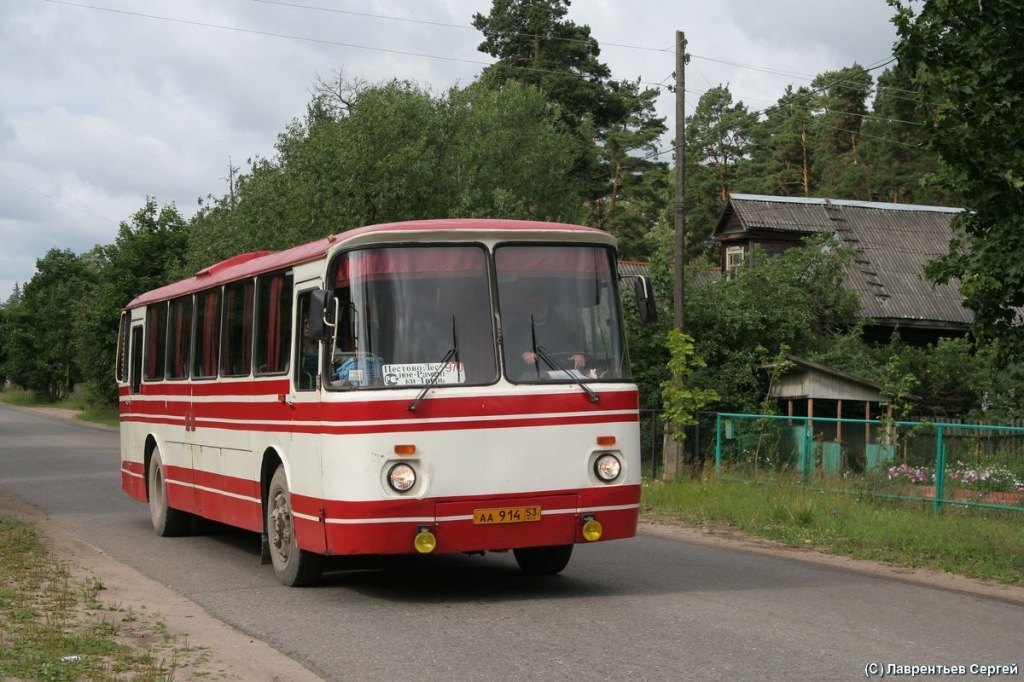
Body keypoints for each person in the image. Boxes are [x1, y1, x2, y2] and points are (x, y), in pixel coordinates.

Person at [507, 291, 586, 375]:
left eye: (543, 305)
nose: (539, 308)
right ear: (528, 308)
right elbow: (508, 354)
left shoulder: (559, 327)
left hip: (558, 374)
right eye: (535, 305)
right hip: (526, 376)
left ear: (548, 307)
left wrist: (576, 355)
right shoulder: (515, 330)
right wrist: (523, 354)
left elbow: (567, 346)